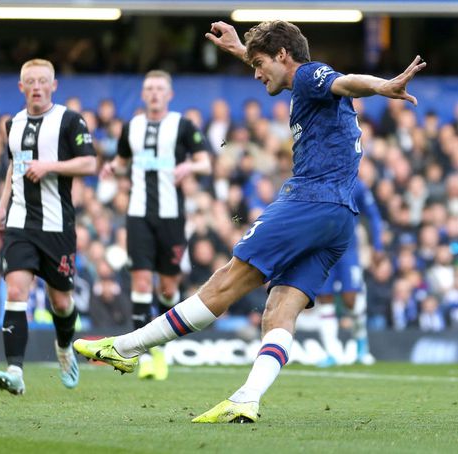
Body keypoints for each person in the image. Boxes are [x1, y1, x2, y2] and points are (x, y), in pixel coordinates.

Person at [74, 20, 425, 423]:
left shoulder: (312, 75)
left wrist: (382, 86)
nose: (255, 75)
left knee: (225, 283)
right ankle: (247, 398)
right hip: (340, 219)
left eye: (260, 64)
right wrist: (242, 49)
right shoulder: (302, 84)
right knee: (278, 312)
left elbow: (344, 82)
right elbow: (302, 77)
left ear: (282, 55)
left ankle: (127, 347)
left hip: (309, 201)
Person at [0, 58, 96, 395]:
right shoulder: (14, 123)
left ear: (53, 85)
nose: (36, 86)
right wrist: (3, 204)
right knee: (16, 291)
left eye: (42, 81)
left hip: (56, 225)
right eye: (30, 81)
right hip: (20, 223)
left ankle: (64, 347)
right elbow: (14, 165)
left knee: (61, 303)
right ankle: (15, 371)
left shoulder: (69, 120)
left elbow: (90, 162)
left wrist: (50, 166)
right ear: (21, 87)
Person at [100, 69, 211, 380]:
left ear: (169, 94)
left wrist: (189, 165)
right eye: (149, 88)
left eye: (160, 88)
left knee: (167, 286)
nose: (154, 93)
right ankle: (139, 355)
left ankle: (161, 351)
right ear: (143, 94)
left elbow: (205, 161)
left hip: (172, 217)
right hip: (138, 215)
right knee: (140, 282)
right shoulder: (131, 127)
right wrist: (112, 167)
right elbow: (122, 161)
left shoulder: (183, 126)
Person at [316, 178, 384, 367]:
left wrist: (377, 244)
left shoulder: (356, 184)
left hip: (348, 249)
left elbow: (373, 214)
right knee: (325, 297)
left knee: (350, 298)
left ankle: (362, 345)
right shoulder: (317, 180)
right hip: (323, 248)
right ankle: (331, 352)